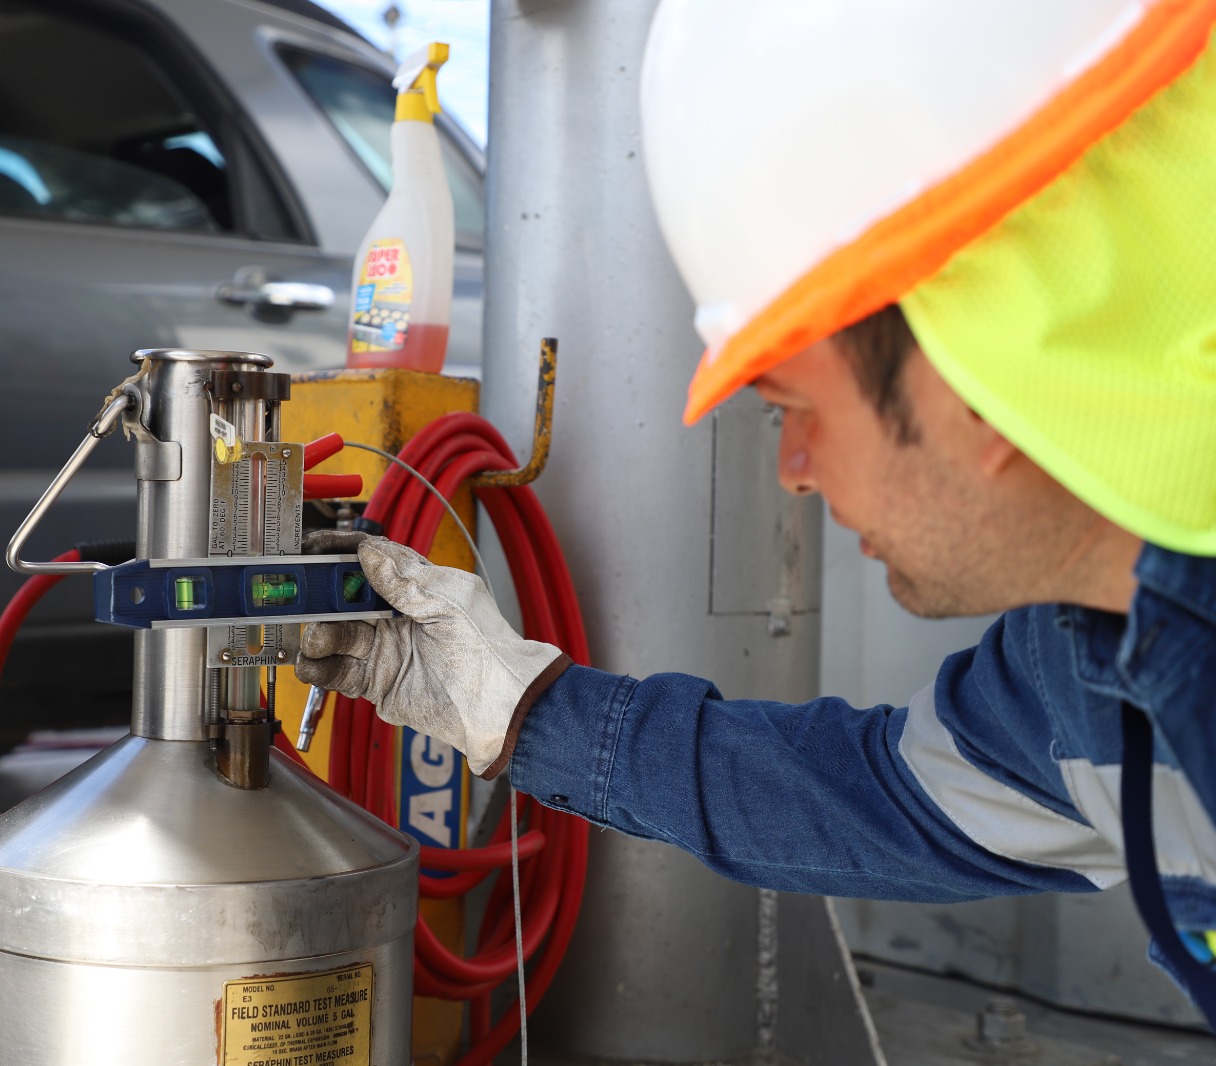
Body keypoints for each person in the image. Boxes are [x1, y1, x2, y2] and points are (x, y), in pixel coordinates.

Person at [296, 0, 1216, 1024]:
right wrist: (514, 709)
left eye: (794, 410)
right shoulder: (1081, 669)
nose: (792, 471)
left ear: (976, 382)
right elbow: (866, 797)